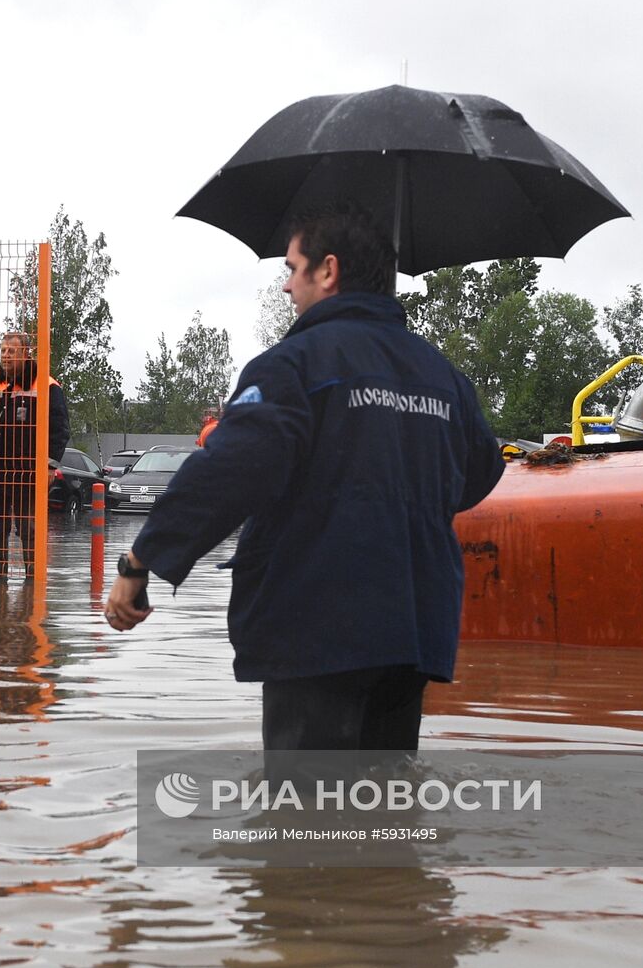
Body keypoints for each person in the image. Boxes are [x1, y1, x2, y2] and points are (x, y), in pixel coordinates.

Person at [104, 203, 505, 753]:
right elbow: (481, 471)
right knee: (384, 818)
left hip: (316, 626)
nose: (289, 286)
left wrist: (140, 560)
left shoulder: (292, 366)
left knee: (305, 824)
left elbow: (227, 472)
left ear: (329, 270)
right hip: (414, 628)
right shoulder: (443, 376)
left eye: (293, 268)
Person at [0, 332, 70, 576]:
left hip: (27, 474)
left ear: (25, 354)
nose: (6, 356)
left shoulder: (46, 386)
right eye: (3, 351)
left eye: (11, 351)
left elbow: (59, 428)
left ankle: (32, 581)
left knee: (28, 528)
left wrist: (50, 466)